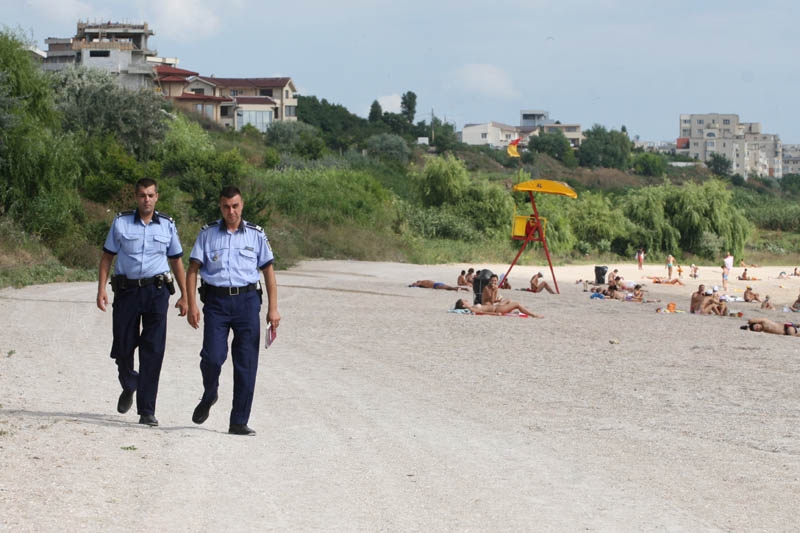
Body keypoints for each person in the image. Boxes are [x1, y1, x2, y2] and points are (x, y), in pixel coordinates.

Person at [186, 186, 280, 437]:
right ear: (220, 207)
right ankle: (210, 393)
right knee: (213, 357)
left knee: (246, 363)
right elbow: (193, 269)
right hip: (216, 303)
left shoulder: (256, 235)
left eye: (235, 206)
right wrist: (192, 304)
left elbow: (268, 271)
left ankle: (238, 421)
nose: (231, 211)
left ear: (242, 205)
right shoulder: (207, 234)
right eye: (226, 206)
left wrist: (273, 309)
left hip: (248, 302)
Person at [96, 178, 188, 427]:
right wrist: (101, 289)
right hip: (127, 293)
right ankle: (129, 382)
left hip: (156, 293)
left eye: (150, 195)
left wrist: (185, 295)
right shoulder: (121, 222)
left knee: (153, 351)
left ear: (157, 196)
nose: (146, 200)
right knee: (123, 347)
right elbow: (107, 257)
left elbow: (177, 261)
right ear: (136, 198)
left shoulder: (167, 225)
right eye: (141, 195)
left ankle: (147, 410)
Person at [454, 298, 543, 318]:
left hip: (497, 306)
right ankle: (533, 315)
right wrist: (495, 314)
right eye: (464, 301)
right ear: (463, 305)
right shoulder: (471, 309)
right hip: (497, 309)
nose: (466, 300)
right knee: (517, 304)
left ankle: (525, 309)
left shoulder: (472, 306)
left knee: (508, 300)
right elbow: (481, 313)